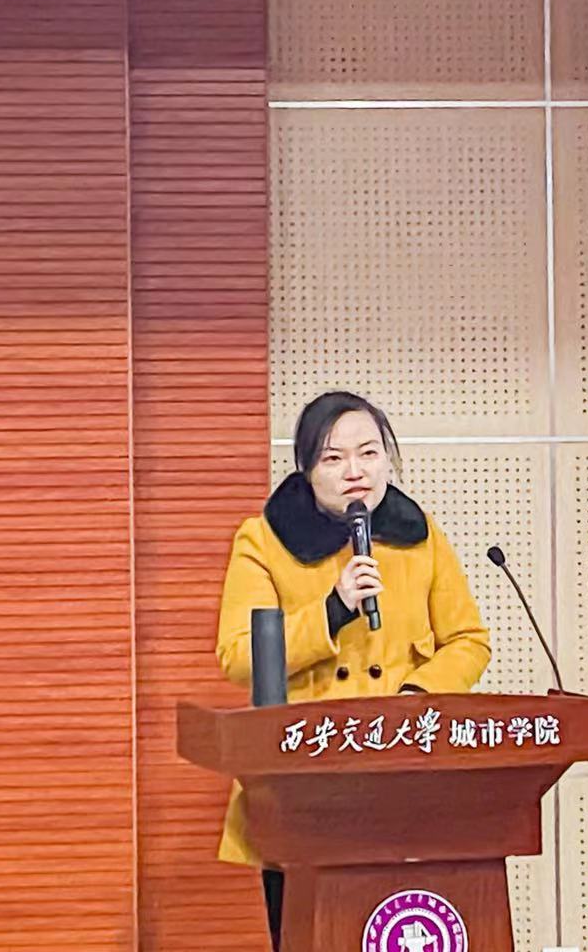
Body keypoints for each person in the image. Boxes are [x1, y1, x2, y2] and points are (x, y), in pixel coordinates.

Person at [214, 391, 492, 950]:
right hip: (304, 787)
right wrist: (332, 611)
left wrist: (416, 695)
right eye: (333, 458)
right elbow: (238, 654)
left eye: (369, 453)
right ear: (306, 468)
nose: (355, 471)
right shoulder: (264, 541)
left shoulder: (420, 537)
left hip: (405, 778)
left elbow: (468, 641)